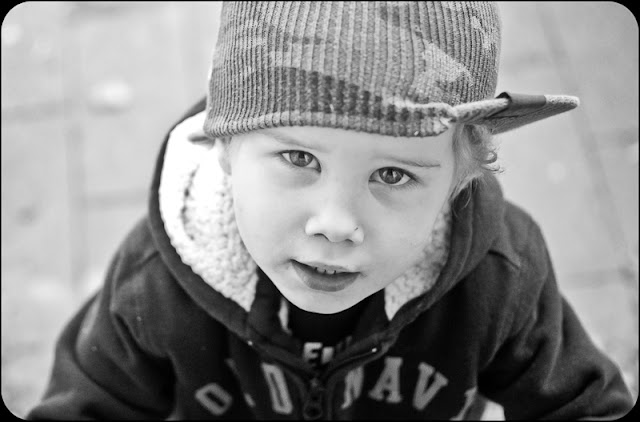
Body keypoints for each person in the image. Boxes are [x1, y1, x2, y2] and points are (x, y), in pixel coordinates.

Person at [28, 2, 633, 419]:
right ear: (225, 147)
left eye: (393, 174)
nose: (337, 223)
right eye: (299, 158)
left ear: (458, 180)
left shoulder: (502, 277)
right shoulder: (154, 285)